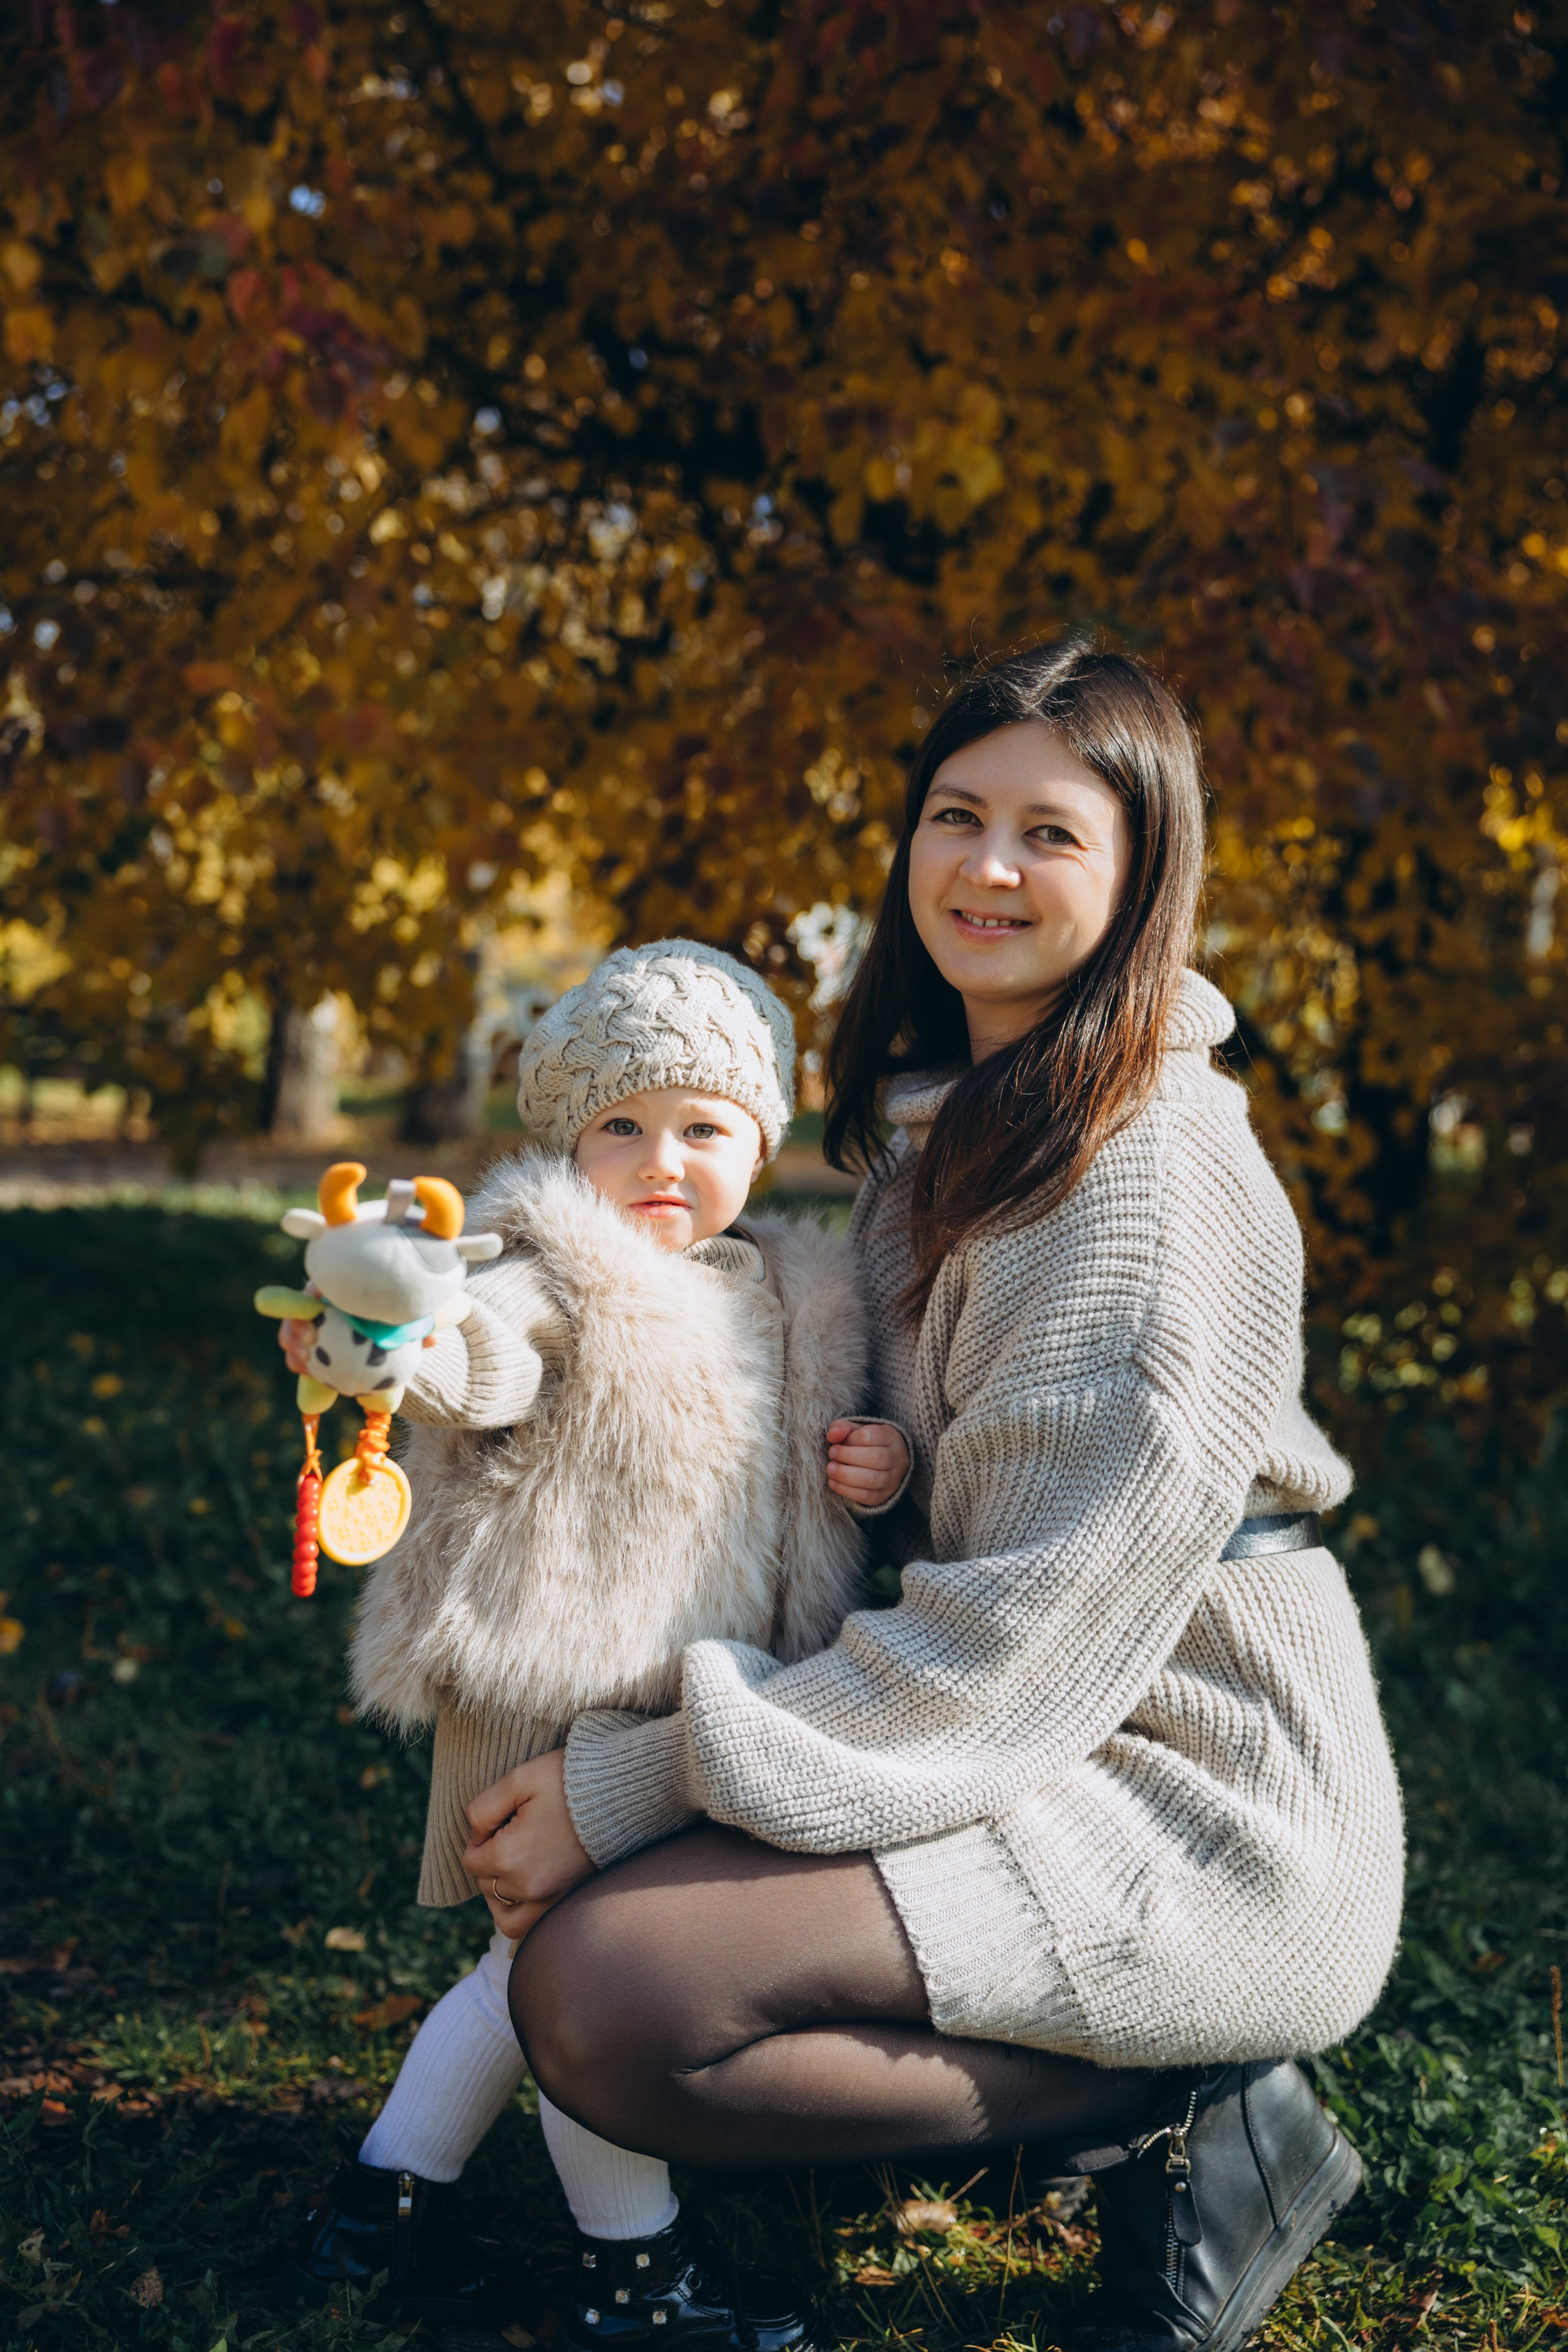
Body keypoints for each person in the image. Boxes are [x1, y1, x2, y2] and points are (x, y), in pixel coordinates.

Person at [463, 642, 1406, 2352]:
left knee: (605, 2003)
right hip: (1025, 1720)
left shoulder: (1145, 1172)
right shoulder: (956, 1131)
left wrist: (648, 1773)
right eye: (958, 816)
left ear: (1137, 884)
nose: (989, 867)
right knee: (598, 1960)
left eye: (1053, 834)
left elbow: (1024, 1627)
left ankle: (1188, 2104)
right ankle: (1065, 2087)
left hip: (1193, 1780)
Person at [271, 940, 911, 2333]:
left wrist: (870, 1468)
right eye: (618, 1125)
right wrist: (404, 1345)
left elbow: (793, 1457)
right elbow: (480, 1355)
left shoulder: (798, 1292)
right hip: (556, 1680)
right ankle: (637, 2274)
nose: (658, 1158)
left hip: (695, 1697)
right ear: (568, 1142)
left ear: (759, 1139)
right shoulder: (554, 1266)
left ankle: (376, 2214)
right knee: (567, 1973)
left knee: (531, 1975)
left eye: (700, 1127)